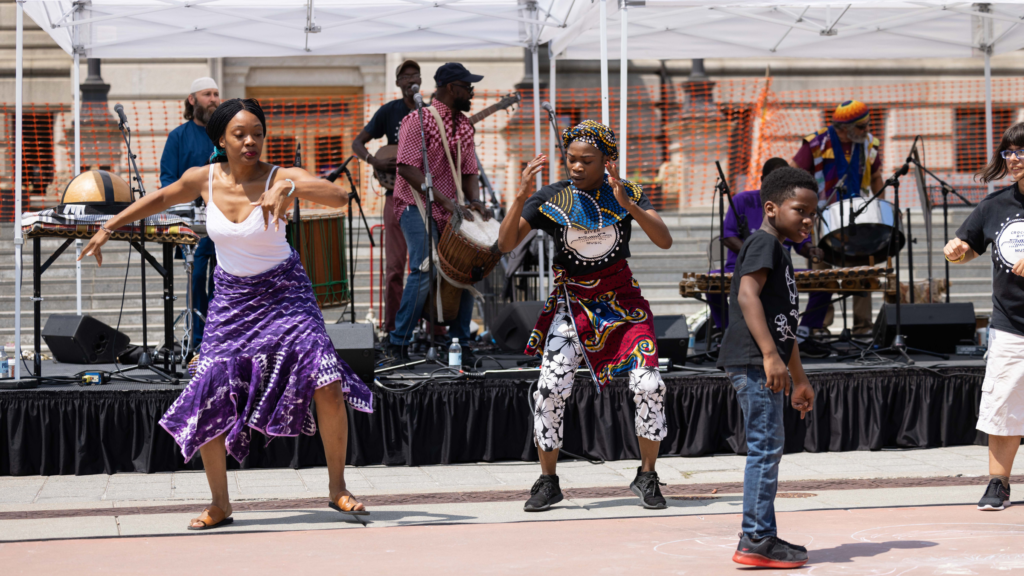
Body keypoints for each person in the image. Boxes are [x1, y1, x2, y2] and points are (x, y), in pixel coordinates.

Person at [79, 98, 374, 529]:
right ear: (221, 139)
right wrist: (108, 227)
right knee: (210, 387)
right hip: (233, 300)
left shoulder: (280, 176)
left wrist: (290, 188)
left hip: (285, 293)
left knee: (326, 381)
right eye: (240, 134)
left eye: (257, 132)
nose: (251, 140)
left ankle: (338, 489)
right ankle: (221, 503)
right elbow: (159, 198)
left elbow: (338, 195)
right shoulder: (205, 179)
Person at [498, 120, 674, 512]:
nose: (576, 167)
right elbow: (505, 243)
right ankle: (548, 481)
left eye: (586, 161)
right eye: (571, 160)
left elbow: (664, 240)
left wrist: (629, 205)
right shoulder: (551, 197)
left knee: (649, 386)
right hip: (571, 305)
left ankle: (647, 475)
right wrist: (520, 196)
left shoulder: (625, 193)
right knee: (550, 388)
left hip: (623, 305)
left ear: (607, 161)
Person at [717, 167, 816, 568]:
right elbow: (746, 296)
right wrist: (770, 357)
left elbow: (784, 322)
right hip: (755, 362)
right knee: (765, 448)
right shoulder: (763, 243)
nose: (808, 219)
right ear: (772, 208)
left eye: (813, 212)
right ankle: (757, 538)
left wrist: (800, 377)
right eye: (800, 211)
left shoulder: (779, 250)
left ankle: (759, 533)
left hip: (766, 362)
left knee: (768, 447)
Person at [944, 122, 1024, 512]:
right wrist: (957, 249)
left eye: (1022, 152)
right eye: (1009, 152)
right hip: (1011, 326)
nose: (1014, 159)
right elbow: (970, 245)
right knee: (1003, 404)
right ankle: (998, 483)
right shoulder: (995, 205)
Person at [389, 62, 490, 360]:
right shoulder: (418, 120)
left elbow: (469, 172)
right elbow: (406, 167)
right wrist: (444, 201)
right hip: (415, 204)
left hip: (450, 208)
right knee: (423, 268)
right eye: (466, 86)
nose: (471, 92)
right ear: (450, 88)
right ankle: (398, 342)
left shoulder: (464, 125)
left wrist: (476, 201)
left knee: (466, 269)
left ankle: (461, 344)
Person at [706, 158, 832, 352]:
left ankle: (804, 332)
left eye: (812, 214)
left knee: (826, 280)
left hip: (780, 268)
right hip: (741, 267)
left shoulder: (790, 213)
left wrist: (811, 250)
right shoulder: (743, 201)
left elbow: (801, 243)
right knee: (711, 283)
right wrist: (756, 255)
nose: (807, 219)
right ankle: (728, 331)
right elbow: (728, 236)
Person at [792, 100, 883, 335]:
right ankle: (819, 326)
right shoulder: (816, 142)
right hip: (820, 216)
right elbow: (793, 172)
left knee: (862, 273)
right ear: (846, 127)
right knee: (822, 275)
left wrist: (883, 205)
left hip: (858, 217)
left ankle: (863, 327)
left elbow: (876, 177)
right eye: (862, 126)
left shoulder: (868, 143)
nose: (867, 130)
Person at [352, 60, 419, 336]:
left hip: (427, 198)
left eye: (414, 74)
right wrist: (373, 161)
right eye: (404, 76)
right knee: (394, 267)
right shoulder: (389, 111)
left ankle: (434, 330)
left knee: (428, 266)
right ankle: (393, 329)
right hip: (395, 197)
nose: (410, 79)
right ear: (397, 82)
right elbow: (357, 142)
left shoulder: (429, 112)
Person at [160, 77, 222, 348]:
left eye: (216, 94)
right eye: (207, 94)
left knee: (223, 281)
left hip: (224, 222)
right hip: (192, 226)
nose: (214, 99)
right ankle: (198, 342)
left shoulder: (224, 136)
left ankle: (220, 338)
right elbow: (168, 179)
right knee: (197, 279)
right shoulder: (178, 137)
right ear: (192, 100)